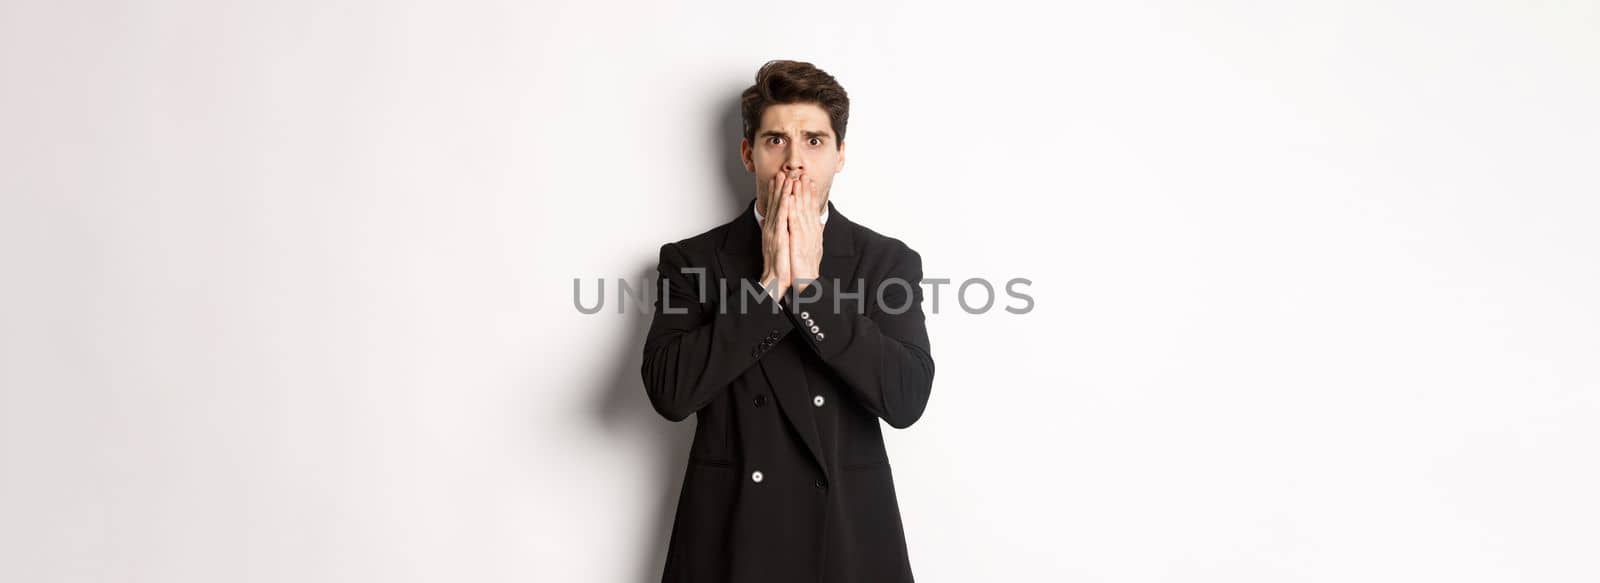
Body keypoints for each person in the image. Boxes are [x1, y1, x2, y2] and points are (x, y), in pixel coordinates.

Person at [640, 59, 935, 583]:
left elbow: (906, 399)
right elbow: (671, 393)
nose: (794, 161)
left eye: (815, 141)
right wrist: (771, 283)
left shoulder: (886, 262)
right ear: (748, 152)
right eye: (776, 140)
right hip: (731, 532)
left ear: (841, 155)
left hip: (846, 536)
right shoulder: (691, 261)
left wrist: (810, 290)